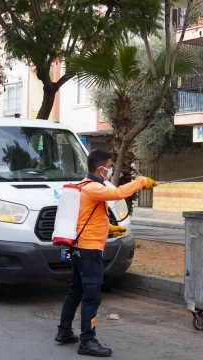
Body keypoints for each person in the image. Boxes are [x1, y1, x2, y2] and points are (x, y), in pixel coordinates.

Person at [55, 149, 157, 357]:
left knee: (75, 291)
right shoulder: (93, 187)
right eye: (109, 166)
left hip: (79, 248)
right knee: (91, 297)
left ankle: (64, 331)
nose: (110, 169)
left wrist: (109, 229)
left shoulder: (83, 185)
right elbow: (118, 193)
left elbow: (86, 218)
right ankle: (87, 341)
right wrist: (141, 181)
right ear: (100, 168)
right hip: (89, 250)